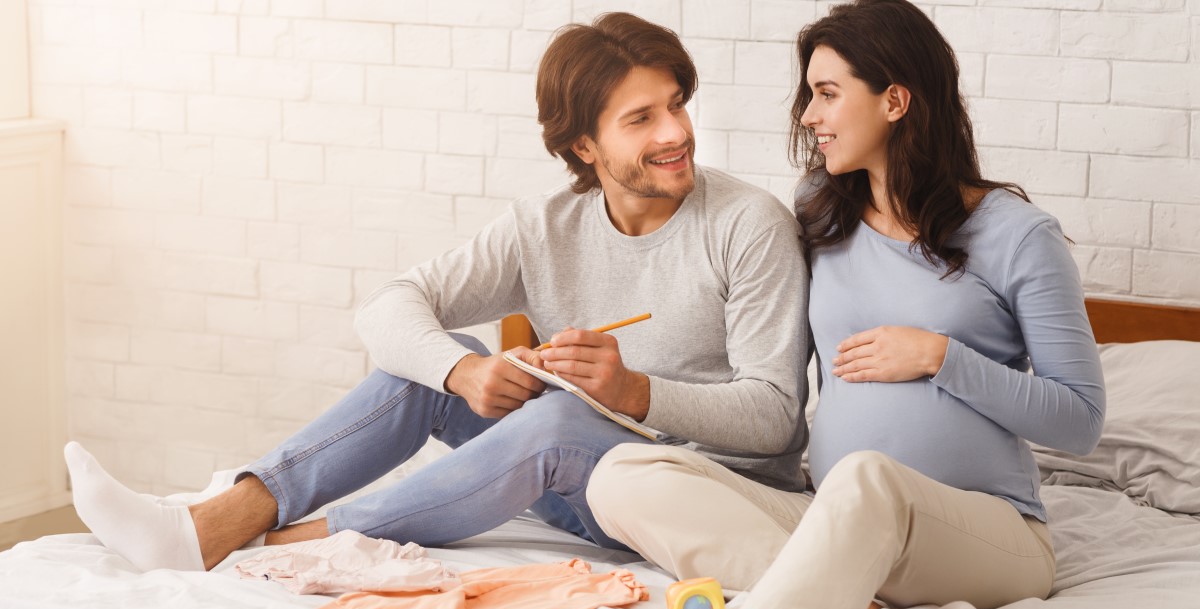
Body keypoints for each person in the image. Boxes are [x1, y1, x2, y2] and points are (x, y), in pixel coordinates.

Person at [63, 12, 810, 574]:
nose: (675, 131)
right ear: (585, 146)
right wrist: (461, 372)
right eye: (641, 118)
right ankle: (230, 516)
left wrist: (633, 391)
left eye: (676, 104)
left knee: (556, 427)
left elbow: (776, 420)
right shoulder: (545, 227)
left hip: (695, 493)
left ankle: (276, 544)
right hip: (577, 479)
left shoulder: (748, 226)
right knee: (431, 358)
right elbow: (387, 304)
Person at [585, 1, 1106, 609]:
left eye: (827, 94)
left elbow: (1080, 421)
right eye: (809, 95)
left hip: (992, 535)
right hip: (838, 515)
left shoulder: (1020, 236)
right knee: (622, 474)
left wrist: (941, 357)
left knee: (870, 475)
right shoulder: (820, 210)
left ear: (894, 101)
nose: (809, 116)